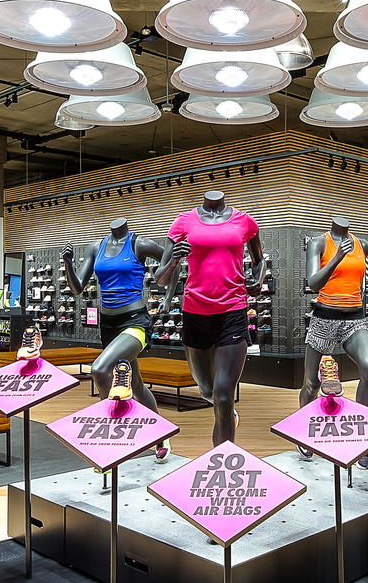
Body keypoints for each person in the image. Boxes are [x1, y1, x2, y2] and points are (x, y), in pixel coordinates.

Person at [157, 190, 266, 446]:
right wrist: (174, 261)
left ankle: (223, 459)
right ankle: (227, 414)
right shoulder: (183, 222)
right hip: (195, 313)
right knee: (207, 390)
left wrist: (258, 280)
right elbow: (160, 279)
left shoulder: (245, 221)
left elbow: (259, 261)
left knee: (224, 395)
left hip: (233, 311)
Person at [64, 218, 171, 460]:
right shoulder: (95, 247)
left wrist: (168, 296)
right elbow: (77, 288)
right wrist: (68, 264)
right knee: (136, 384)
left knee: (100, 370)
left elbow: (171, 263)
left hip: (135, 322)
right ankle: (162, 435)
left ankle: (109, 434)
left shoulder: (140, 244)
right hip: (108, 325)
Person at [298, 216, 368, 468]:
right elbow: (313, 283)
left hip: (354, 319)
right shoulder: (318, 242)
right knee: (311, 384)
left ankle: (363, 443)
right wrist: (337, 258)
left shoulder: (362, 245)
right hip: (324, 318)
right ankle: (303, 432)